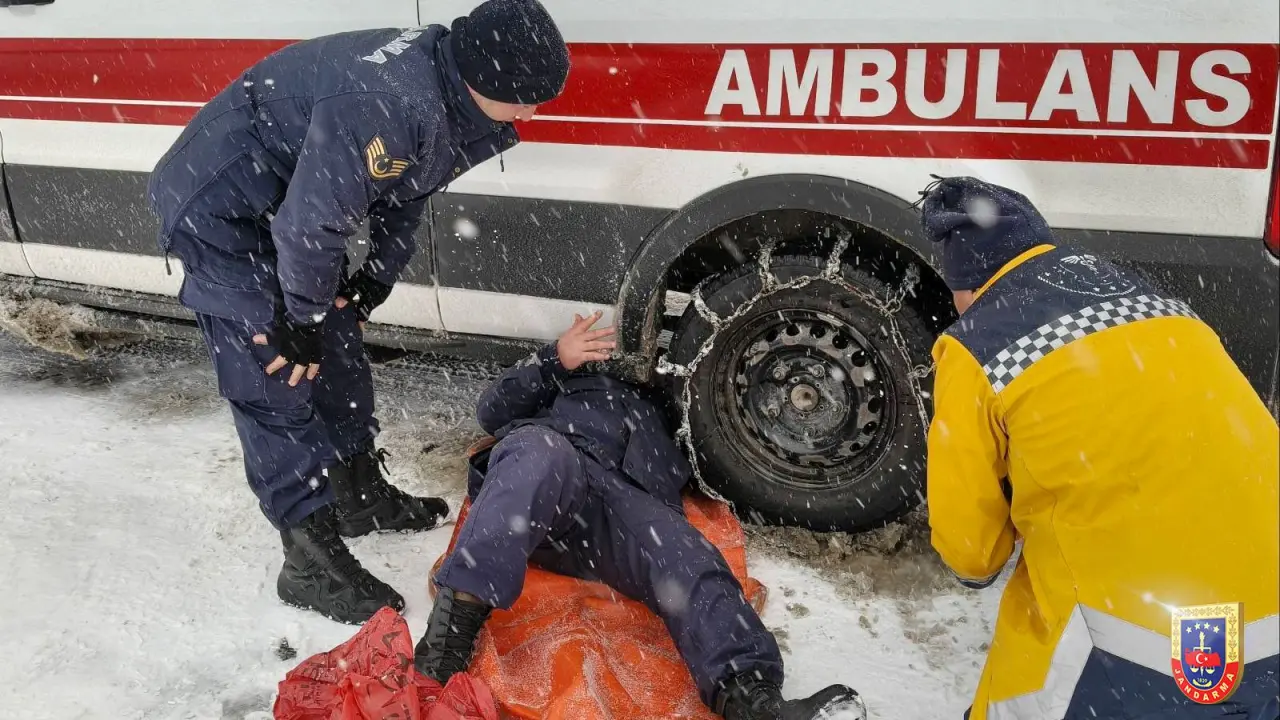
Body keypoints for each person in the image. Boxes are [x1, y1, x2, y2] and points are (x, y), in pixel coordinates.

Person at [145, 0, 571, 625]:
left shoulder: (443, 92)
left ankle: (357, 494)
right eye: (528, 98)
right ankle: (307, 556)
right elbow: (309, 229)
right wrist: (301, 322)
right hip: (222, 212)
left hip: (284, 206)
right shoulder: (392, 101)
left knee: (336, 338)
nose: (533, 114)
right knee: (276, 367)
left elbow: (403, 186)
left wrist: (371, 282)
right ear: (485, 78)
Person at [919, 176, 1280, 720]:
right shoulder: (1162, 303)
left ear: (964, 284)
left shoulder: (975, 347)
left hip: (1141, 655)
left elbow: (972, 550)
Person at [412, 311, 867, 720]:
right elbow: (492, 411)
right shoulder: (572, 379)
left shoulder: (672, 402)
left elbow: (726, 455)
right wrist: (556, 359)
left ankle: (752, 699)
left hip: (625, 506)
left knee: (686, 554)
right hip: (554, 476)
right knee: (536, 451)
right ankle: (445, 649)